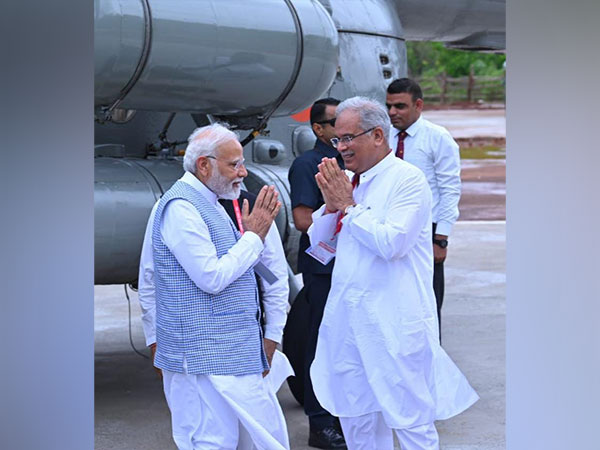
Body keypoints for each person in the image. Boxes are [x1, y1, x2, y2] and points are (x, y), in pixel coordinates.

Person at [308, 97, 478, 450]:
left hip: (394, 322)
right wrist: (329, 207)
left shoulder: (408, 180)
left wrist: (349, 207)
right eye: (337, 139)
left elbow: (392, 244)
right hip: (350, 320)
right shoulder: (352, 182)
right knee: (356, 419)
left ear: (378, 136)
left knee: (411, 419)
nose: (341, 147)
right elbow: (321, 247)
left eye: (348, 138)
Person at [137, 123, 290, 450]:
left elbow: (272, 278)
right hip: (202, 361)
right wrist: (253, 237)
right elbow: (208, 278)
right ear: (204, 165)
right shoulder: (181, 208)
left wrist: (272, 334)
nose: (243, 172)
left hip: (235, 357)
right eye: (234, 164)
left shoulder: (218, 204)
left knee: (262, 439)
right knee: (211, 442)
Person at [288, 98, 347, 449]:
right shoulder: (308, 164)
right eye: (335, 122)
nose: (343, 129)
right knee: (320, 344)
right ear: (318, 129)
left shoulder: (353, 163)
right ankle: (320, 421)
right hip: (324, 269)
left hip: (353, 267)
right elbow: (302, 219)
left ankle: (344, 415)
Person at [386, 78, 461, 341]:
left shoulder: (437, 138)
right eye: (389, 106)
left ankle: (431, 367)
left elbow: (450, 189)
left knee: (426, 305)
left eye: (400, 106)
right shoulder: (382, 137)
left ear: (418, 105)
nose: (393, 112)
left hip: (425, 234)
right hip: (390, 231)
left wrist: (441, 238)